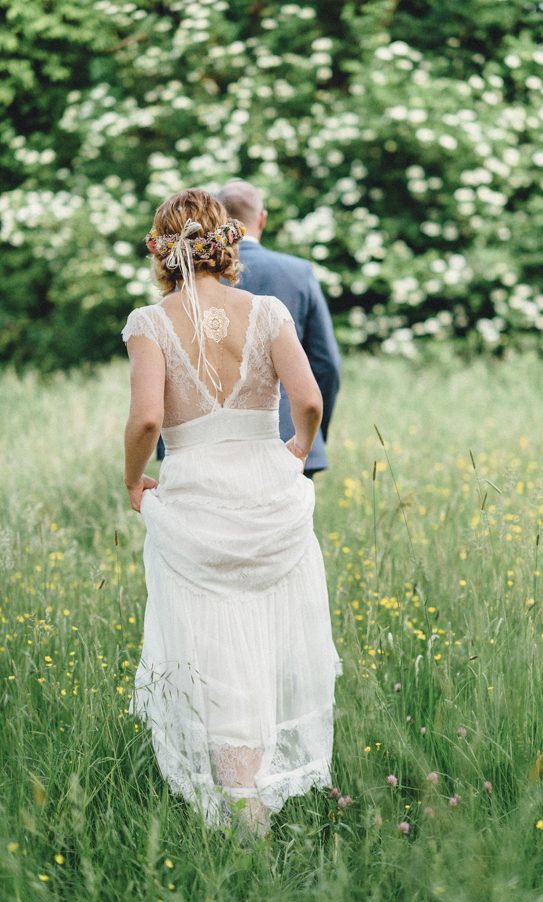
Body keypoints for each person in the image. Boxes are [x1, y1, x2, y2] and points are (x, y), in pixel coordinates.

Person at [122, 188, 342, 836]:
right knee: (264, 639)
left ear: (163, 249)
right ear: (229, 241)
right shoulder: (270, 310)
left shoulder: (148, 322)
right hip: (266, 487)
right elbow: (308, 398)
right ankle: (257, 792)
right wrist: (297, 449)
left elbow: (147, 418)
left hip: (195, 496)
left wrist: (133, 480)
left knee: (213, 649)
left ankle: (241, 798)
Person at [216, 179, 340, 478]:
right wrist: (310, 432)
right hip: (289, 439)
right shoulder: (297, 272)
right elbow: (326, 364)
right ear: (262, 218)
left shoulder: (191, 277)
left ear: (217, 220)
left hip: (209, 445)